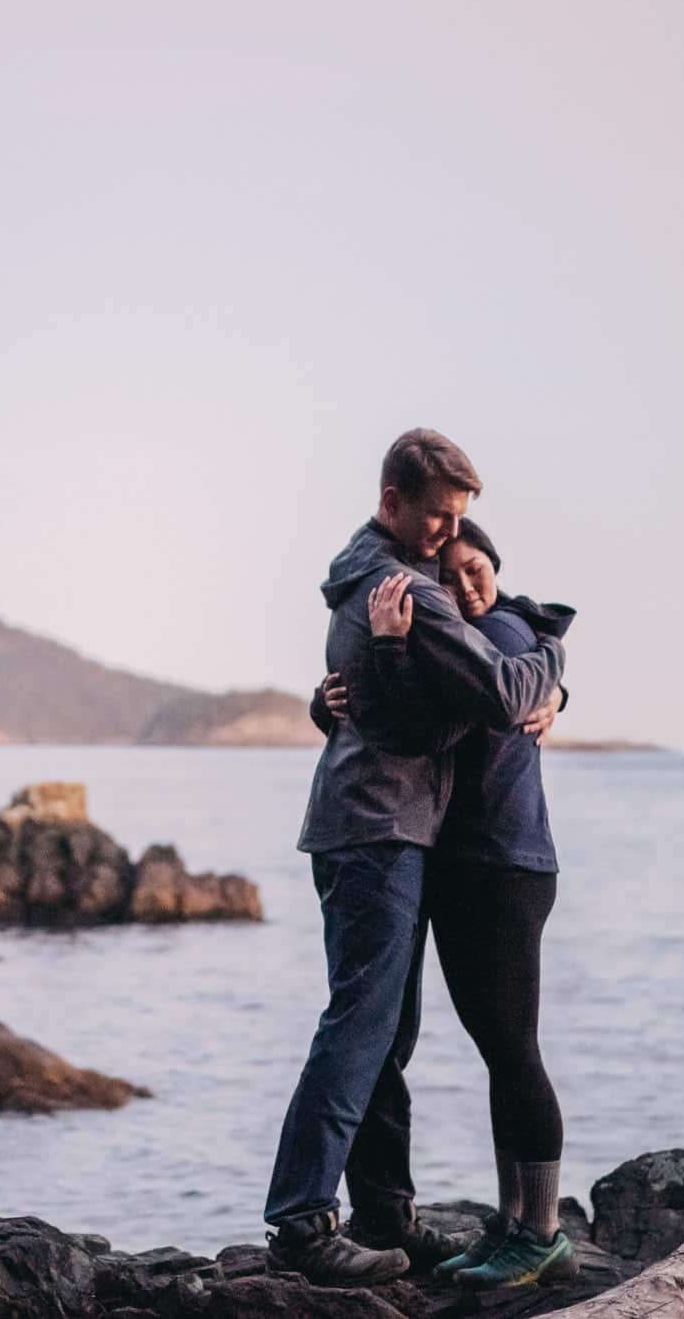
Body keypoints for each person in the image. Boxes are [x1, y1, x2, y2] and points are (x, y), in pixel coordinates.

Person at [263, 430, 566, 1287]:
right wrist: (556, 652)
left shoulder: (376, 574)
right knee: (362, 1024)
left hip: (378, 826)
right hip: (379, 828)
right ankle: (300, 1219)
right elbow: (502, 691)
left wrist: (348, 694)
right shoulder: (401, 590)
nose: (446, 533)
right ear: (392, 501)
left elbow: (398, 701)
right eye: (437, 516)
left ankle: (384, 1212)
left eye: (460, 520)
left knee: (387, 1029)